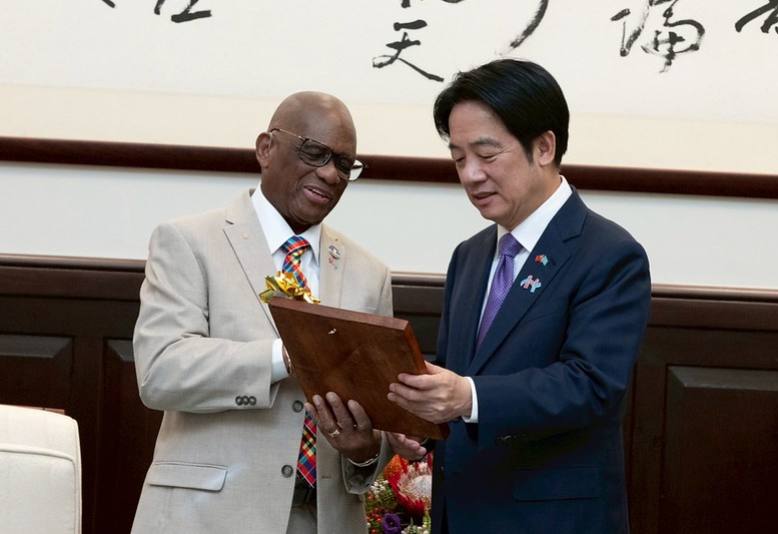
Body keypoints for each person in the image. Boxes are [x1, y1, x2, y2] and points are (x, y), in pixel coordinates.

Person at [387, 59, 651, 533]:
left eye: (486, 155)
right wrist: (423, 425)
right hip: (462, 513)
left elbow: (590, 385)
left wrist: (465, 397)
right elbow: (457, 376)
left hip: (551, 518)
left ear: (544, 146)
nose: (470, 175)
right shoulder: (469, 256)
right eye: (458, 158)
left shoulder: (609, 253)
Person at [131, 91, 393, 534]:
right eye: (315, 153)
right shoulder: (189, 242)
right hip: (207, 518)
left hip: (324, 519)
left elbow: (376, 422)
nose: (330, 174)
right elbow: (160, 372)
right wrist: (284, 355)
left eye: (345, 164)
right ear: (266, 148)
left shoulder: (371, 275)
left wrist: (364, 450)